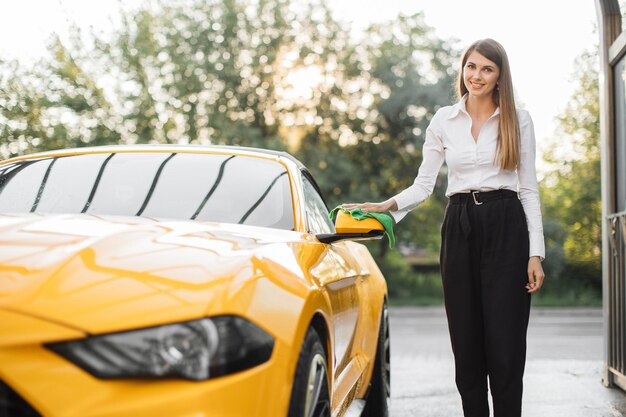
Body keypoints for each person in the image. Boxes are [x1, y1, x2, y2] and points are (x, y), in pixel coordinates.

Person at [342, 38, 545, 417]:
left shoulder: (519, 119)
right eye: (472, 66)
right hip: (460, 224)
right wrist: (388, 205)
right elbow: (424, 184)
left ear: (500, 76)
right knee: (466, 343)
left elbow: (529, 189)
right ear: (462, 70)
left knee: (505, 344)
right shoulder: (443, 120)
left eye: (487, 68)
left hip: (506, 225)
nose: (477, 75)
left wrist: (536, 252)